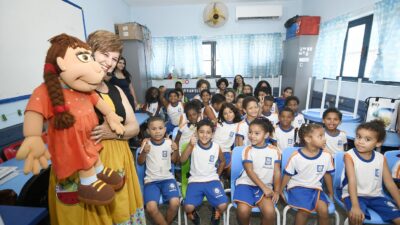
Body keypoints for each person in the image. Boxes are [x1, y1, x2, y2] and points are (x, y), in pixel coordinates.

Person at [47, 30, 146, 224]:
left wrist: (115, 133)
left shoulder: (116, 90)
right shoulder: (69, 88)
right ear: (89, 51)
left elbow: (134, 126)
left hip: (117, 162)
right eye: (104, 54)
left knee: (119, 213)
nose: (109, 62)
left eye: (114, 58)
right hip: (83, 168)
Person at [342, 120, 400, 225]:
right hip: (354, 195)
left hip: (376, 196)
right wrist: (355, 206)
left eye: (367, 139)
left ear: (378, 143)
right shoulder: (349, 156)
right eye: (358, 137)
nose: (360, 141)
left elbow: (390, 184)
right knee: (357, 218)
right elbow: (352, 180)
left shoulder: (381, 158)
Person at [280, 123, 334, 225]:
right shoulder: (296, 156)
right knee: (304, 211)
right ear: (308, 139)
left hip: (315, 188)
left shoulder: (327, 155)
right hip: (297, 187)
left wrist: (331, 192)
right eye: (320, 136)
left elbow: (327, 175)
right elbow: (288, 175)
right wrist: (280, 190)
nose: (324, 139)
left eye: (324, 135)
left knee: (324, 210)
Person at [234, 117, 281, 225]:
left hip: (266, 186)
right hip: (246, 184)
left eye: (256, 133)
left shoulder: (275, 151)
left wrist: (277, 191)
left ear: (266, 135)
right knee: (243, 211)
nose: (252, 136)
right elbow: (249, 171)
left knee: (270, 213)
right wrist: (264, 188)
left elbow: (277, 172)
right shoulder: (247, 150)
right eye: (250, 132)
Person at [180, 120, 228, 225]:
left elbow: (223, 161)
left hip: (212, 180)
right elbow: (182, 160)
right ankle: (192, 213)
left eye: (208, 132)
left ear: (212, 134)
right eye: (201, 132)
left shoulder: (216, 147)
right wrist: (189, 145)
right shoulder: (193, 146)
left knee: (223, 205)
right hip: (195, 181)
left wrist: (218, 175)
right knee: (188, 207)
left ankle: (216, 211)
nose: (204, 135)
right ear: (196, 133)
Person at [137, 116, 180, 225]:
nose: (157, 131)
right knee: (151, 208)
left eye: (160, 128)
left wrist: (175, 150)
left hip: (168, 179)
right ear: (148, 131)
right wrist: (144, 152)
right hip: (151, 181)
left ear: (165, 129)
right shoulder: (146, 143)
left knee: (175, 203)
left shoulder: (168, 142)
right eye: (154, 129)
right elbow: (140, 162)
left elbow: (174, 160)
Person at [214, 103, 242, 182]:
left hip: (226, 151)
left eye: (230, 112)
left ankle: (225, 179)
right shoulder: (219, 123)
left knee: (231, 167)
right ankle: (217, 179)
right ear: (222, 115)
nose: (228, 115)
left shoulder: (238, 125)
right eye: (225, 113)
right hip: (214, 149)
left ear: (234, 112)